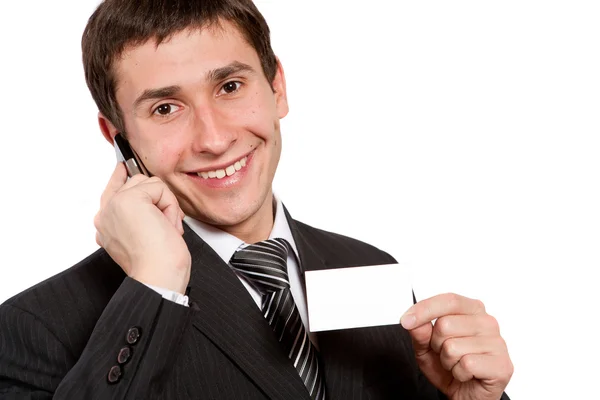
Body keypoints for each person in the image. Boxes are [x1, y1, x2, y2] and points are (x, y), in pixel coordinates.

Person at [0, 0, 513, 399]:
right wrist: (153, 285)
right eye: (165, 107)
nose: (214, 138)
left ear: (277, 87)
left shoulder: (369, 269)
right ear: (119, 138)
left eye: (229, 86)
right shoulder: (36, 328)